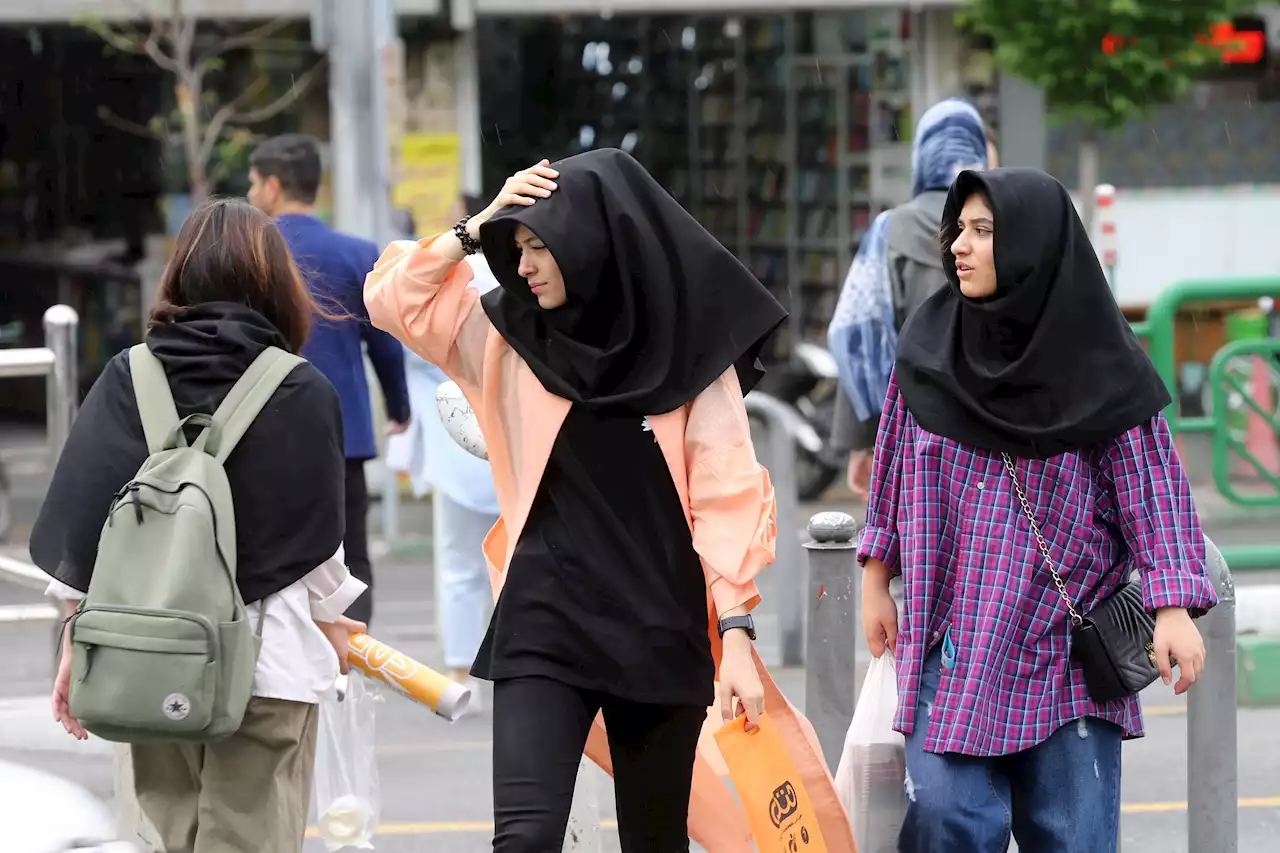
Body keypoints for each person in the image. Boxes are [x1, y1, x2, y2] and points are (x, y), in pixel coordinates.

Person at [365, 149, 854, 852]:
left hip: (662, 623)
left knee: (655, 842)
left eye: (540, 247)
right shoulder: (505, 335)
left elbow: (727, 490)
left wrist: (740, 631)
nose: (524, 265)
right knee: (525, 839)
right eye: (519, 247)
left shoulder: (684, 354)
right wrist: (477, 228)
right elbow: (392, 299)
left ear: (591, 243)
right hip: (544, 623)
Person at [858, 167, 1218, 852]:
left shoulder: (1100, 363)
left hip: (1064, 655)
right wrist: (877, 575)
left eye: (983, 231)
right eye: (959, 228)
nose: (959, 244)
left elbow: (1154, 488)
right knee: (947, 818)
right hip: (951, 641)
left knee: (1073, 838)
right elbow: (894, 467)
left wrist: (1173, 607)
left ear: (1032, 246)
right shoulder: (928, 350)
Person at [34, 198, 367, 853]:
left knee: (178, 835)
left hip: (148, 654)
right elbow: (319, 546)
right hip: (267, 663)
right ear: (275, 281)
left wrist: (78, 641)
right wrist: (335, 619)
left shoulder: (130, 376)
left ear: (179, 276)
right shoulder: (300, 389)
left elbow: (84, 522)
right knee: (251, 837)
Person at [248, 133, 410, 626]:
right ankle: (353, 661)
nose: (252, 195)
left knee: (273, 550)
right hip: (345, 434)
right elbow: (386, 343)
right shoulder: (357, 254)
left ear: (273, 186)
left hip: (264, 431)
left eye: (254, 184)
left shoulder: (251, 251)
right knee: (350, 556)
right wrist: (399, 409)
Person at [828, 98, 989, 500]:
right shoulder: (1003, 223)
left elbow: (859, 334)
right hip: (996, 436)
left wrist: (864, 443)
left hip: (912, 439)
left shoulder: (889, 230)